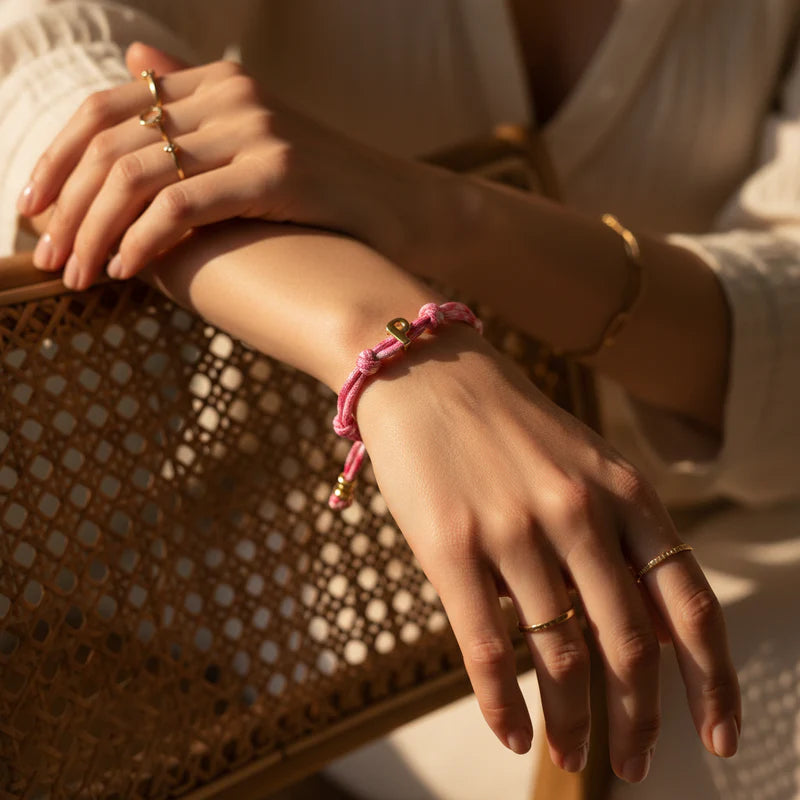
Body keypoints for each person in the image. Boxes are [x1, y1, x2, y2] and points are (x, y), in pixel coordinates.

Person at [2, 2, 798, 798]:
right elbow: (47, 76)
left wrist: (441, 211)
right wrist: (403, 352)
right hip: (297, 610)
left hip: (699, 548)